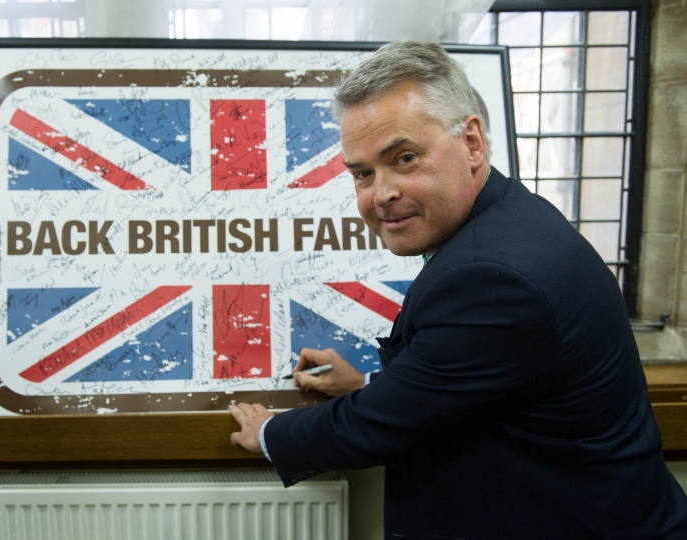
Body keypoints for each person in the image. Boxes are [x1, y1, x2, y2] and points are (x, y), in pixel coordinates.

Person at [229, 40, 687, 539]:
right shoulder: (509, 218)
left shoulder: (494, 276)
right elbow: (474, 386)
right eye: (363, 173)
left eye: (404, 158)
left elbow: (377, 428)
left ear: (471, 143)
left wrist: (269, 431)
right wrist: (365, 385)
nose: (381, 194)